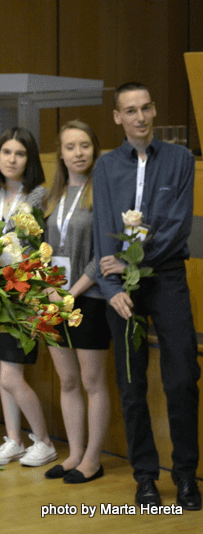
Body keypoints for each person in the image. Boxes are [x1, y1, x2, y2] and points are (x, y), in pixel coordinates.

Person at [93, 82, 200, 510]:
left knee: (182, 379)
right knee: (131, 383)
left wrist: (133, 261)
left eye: (146, 108)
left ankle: (186, 476)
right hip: (123, 289)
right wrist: (112, 287)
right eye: (130, 110)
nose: (139, 117)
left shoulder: (180, 159)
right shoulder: (105, 167)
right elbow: (103, 232)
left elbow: (177, 227)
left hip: (166, 277)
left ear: (154, 111)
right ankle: (145, 477)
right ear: (118, 117)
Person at [0, 126, 56, 467]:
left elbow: (42, 249)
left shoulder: (40, 197)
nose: (12, 159)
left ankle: (45, 441)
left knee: (12, 376)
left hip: (23, 296)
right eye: (6, 152)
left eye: (20, 153)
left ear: (30, 159)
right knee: (2, 374)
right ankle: (14, 440)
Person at [41, 120, 110, 484]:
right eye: (70, 147)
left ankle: (93, 460)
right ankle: (74, 454)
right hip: (54, 299)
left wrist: (72, 292)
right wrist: (50, 290)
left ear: (94, 149)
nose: (78, 153)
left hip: (89, 298)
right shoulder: (52, 197)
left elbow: (103, 255)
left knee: (92, 381)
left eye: (84, 145)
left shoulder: (102, 195)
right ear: (61, 154)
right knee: (67, 381)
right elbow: (41, 249)